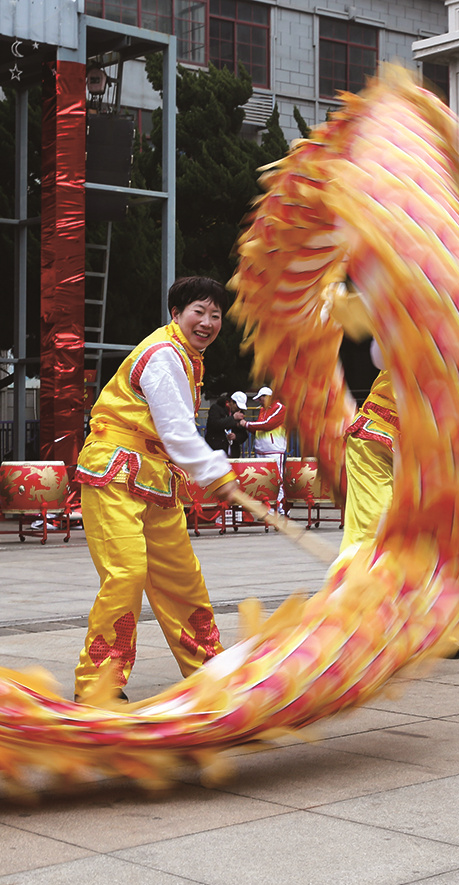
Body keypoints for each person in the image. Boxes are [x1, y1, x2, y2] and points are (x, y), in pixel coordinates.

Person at [72, 277, 238, 701]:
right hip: (114, 474)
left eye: (215, 315)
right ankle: (98, 686)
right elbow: (178, 430)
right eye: (198, 312)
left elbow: (175, 435)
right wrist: (217, 476)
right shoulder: (163, 353)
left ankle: (211, 670)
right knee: (126, 574)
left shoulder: (188, 359)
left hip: (156, 480)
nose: (207, 322)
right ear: (176, 314)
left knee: (182, 579)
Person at [340, 339, 459, 658]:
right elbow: (382, 354)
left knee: (427, 542)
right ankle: (357, 620)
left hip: (420, 458)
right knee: (374, 532)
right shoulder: (410, 326)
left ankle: (424, 626)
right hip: (376, 443)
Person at [241, 385, 288, 505]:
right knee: (263, 481)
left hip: (275, 450)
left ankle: (280, 509)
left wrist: (246, 424)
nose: (259, 402)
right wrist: (248, 426)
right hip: (261, 451)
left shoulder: (280, 408)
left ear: (267, 397)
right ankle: (268, 508)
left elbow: (267, 425)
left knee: (277, 480)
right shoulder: (262, 410)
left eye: (261, 399)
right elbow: (259, 427)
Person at [204, 393, 246, 458]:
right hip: (216, 449)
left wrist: (236, 436)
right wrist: (232, 419)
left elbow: (244, 434)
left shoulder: (239, 413)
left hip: (233, 451)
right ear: (231, 402)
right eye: (237, 406)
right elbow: (214, 424)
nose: (238, 409)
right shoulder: (216, 408)